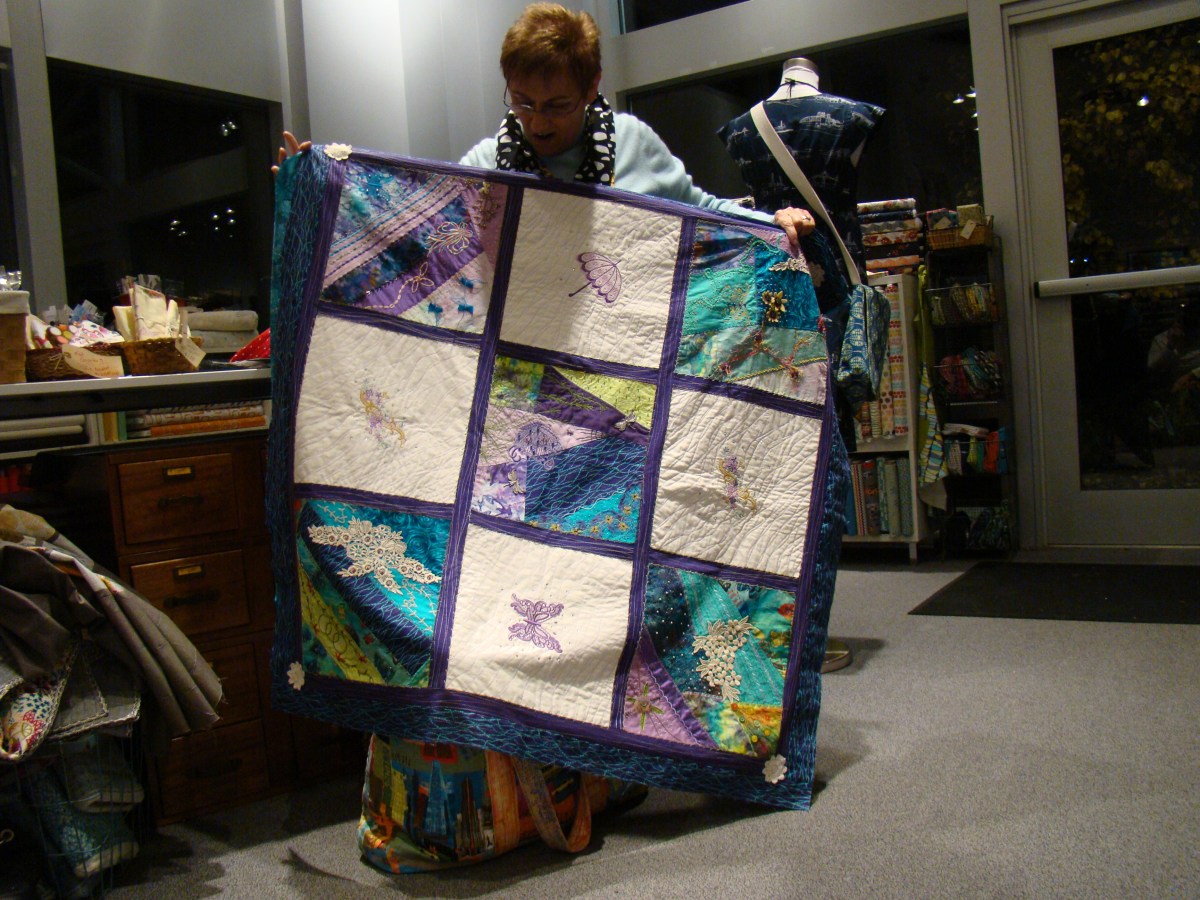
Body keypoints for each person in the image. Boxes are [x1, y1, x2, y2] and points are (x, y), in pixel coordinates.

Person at [276, 2, 820, 872]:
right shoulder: (490, 161)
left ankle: (610, 768)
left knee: (619, 589)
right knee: (513, 594)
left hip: (621, 411)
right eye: (523, 103)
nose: (537, 121)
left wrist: (769, 225)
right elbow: (414, 218)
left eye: (556, 105)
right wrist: (324, 188)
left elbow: (701, 214)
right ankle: (555, 775)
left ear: (593, 88)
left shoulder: (633, 148)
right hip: (515, 412)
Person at [719, 59, 885, 674]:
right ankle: (802, 631)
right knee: (819, 475)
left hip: (772, 306)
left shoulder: (743, 128)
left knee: (779, 467)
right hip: (829, 305)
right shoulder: (854, 118)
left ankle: (783, 626)